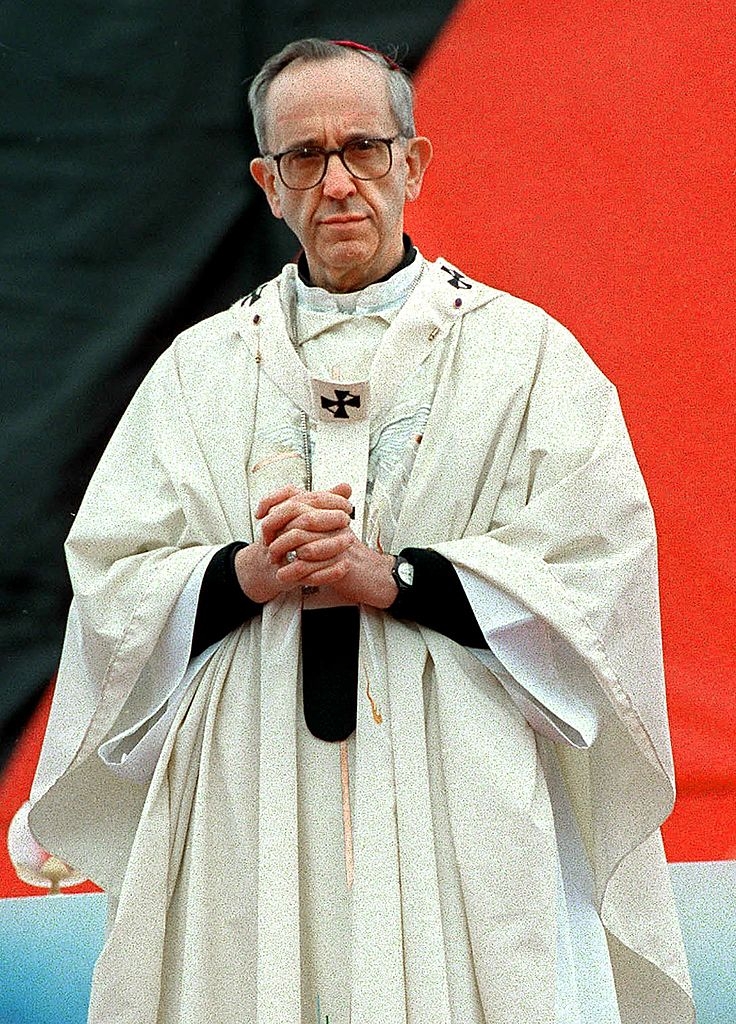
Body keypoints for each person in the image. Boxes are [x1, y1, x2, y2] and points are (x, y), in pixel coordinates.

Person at [28, 37, 693, 1024]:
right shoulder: (197, 373)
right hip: (248, 791)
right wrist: (244, 572)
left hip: (458, 774)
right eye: (304, 156)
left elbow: (598, 565)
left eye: (363, 148)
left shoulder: (524, 359)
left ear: (412, 163)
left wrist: (398, 578)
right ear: (267, 183)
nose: (337, 182)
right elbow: (112, 578)